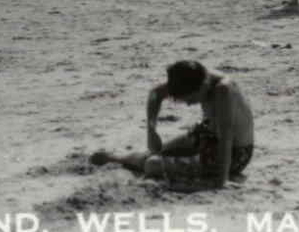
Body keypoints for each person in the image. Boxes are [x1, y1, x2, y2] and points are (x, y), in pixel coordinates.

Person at [90, 60, 254, 188]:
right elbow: (155, 94)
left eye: (190, 99)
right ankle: (118, 158)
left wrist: (221, 180)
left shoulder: (223, 90)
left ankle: (129, 161)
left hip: (235, 154)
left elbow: (226, 137)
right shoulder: (194, 75)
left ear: (202, 86)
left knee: (152, 165)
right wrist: (151, 130)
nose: (189, 104)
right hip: (206, 135)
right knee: (152, 154)